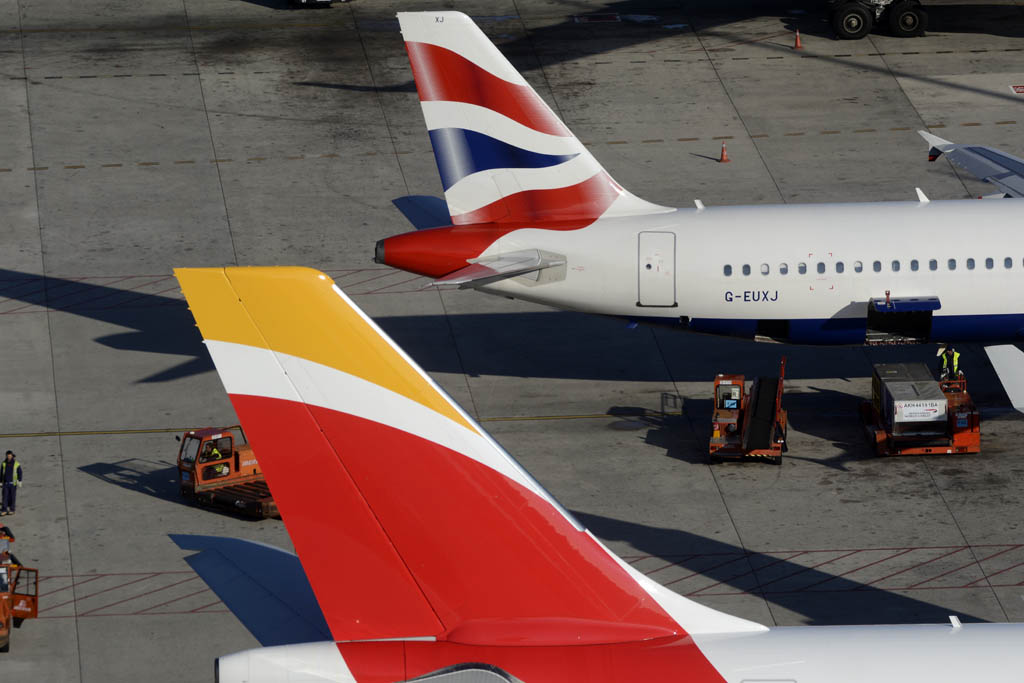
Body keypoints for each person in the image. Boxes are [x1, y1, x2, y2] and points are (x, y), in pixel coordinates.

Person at [0, 451, 22, 516]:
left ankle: (12, 509)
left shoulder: (16, 464)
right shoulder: (4, 463)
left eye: (10, 456)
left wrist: (19, 481)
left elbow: (20, 472)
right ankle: (4, 510)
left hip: (13, 483)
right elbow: (1, 473)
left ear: (12, 456)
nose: (9, 457)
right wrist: (0, 482)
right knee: (4, 497)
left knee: (12, 497)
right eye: (8, 456)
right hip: (5, 483)